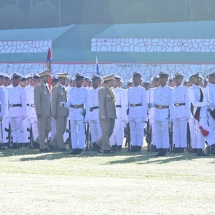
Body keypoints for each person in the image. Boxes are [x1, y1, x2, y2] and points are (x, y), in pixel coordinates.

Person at [61, 73, 89, 155]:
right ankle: (74, 147)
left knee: (81, 131)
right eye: (76, 80)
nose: (77, 82)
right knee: (73, 131)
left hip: (80, 111)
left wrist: (87, 116)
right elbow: (69, 102)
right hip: (72, 112)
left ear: (82, 81)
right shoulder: (71, 91)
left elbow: (87, 105)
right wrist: (65, 105)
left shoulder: (85, 91)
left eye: (79, 80)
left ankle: (81, 147)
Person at [188, 73, 212, 156]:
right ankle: (208, 147)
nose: (199, 80)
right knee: (203, 131)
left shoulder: (201, 89)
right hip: (198, 113)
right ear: (193, 80)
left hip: (203, 113)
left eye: (200, 79)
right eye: (197, 79)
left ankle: (200, 149)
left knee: (201, 132)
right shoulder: (191, 90)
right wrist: (205, 104)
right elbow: (194, 103)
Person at [92, 74, 116, 154]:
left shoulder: (110, 90)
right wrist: (102, 114)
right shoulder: (102, 90)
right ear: (108, 82)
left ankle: (97, 143)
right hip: (105, 114)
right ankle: (106, 148)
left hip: (111, 114)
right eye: (112, 81)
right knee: (105, 131)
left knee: (110, 131)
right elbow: (101, 103)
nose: (113, 82)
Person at [152, 72, 174, 157]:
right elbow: (155, 101)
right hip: (157, 112)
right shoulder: (156, 90)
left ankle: (164, 149)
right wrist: (152, 104)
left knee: (165, 132)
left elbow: (171, 105)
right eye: (160, 78)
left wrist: (171, 116)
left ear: (166, 79)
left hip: (165, 112)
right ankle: (159, 149)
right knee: (158, 132)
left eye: (163, 78)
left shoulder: (170, 90)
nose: (161, 80)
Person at [127, 72, 147, 152]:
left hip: (139, 110)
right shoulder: (129, 90)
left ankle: (139, 145)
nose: (135, 80)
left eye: (137, 78)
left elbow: (144, 104)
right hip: (132, 110)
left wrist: (143, 115)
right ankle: (134, 145)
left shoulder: (142, 90)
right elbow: (128, 103)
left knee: (139, 130)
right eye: (134, 78)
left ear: (140, 80)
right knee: (133, 130)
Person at [50, 73, 68, 151]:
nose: (66, 81)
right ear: (61, 79)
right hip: (59, 112)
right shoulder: (56, 88)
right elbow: (53, 101)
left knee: (63, 129)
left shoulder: (63, 88)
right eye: (65, 79)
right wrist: (53, 112)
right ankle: (61, 146)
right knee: (60, 130)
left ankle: (52, 143)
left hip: (64, 112)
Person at [34, 70, 51, 152]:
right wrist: (38, 112)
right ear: (43, 77)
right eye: (47, 77)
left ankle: (37, 141)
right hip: (42, 112)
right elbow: (37, 101)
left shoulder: (46, 86)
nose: (48, 78)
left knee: (48, 128)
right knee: (42, 129)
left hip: (47, 112)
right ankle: (42, 147)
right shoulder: (38, 87)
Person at [8, 73, 27, 149]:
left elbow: (24, 103)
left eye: (15, 80)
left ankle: (20, 143)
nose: (13, 81)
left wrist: (24, 114)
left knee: (19, 129)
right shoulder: (9, 90)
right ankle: (15, 142)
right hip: (11, 110)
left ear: (18, 80)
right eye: (12, 80)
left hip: (18, 111)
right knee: (13, 129)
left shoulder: (21, 90)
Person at [173, 73, 190, 153]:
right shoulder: (173, 89)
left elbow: (187, 102)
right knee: (176, 130)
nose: (176, 80)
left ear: (181, 80)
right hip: (175, 110)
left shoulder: (184, 89)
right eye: (175, 79)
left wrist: (187, 114)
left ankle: (182, 146)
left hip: (182, 109)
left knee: (182, 130)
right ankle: (177, 146)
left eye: (178, 79)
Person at [110, 75, 127, 151]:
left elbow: (124, 105)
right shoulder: (109, 90)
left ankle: (119, 144)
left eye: (115, 81)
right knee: (112, 129)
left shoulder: (122, 91)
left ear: (118, 82)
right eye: (112, 81)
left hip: (118, 111)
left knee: (118, 129)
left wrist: (124, 116)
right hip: (111, 111)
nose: (113, 82)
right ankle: (113, 144)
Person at [88, 74, 102, 149]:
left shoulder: (101, 90)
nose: (94, 82)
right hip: (91, 111)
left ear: (99, 81)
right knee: (93, 130)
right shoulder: (89, 91)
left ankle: (99, 144)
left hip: (98, 110)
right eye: (93, 81)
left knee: (99, 129)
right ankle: (94, 144)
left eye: (95, 81)